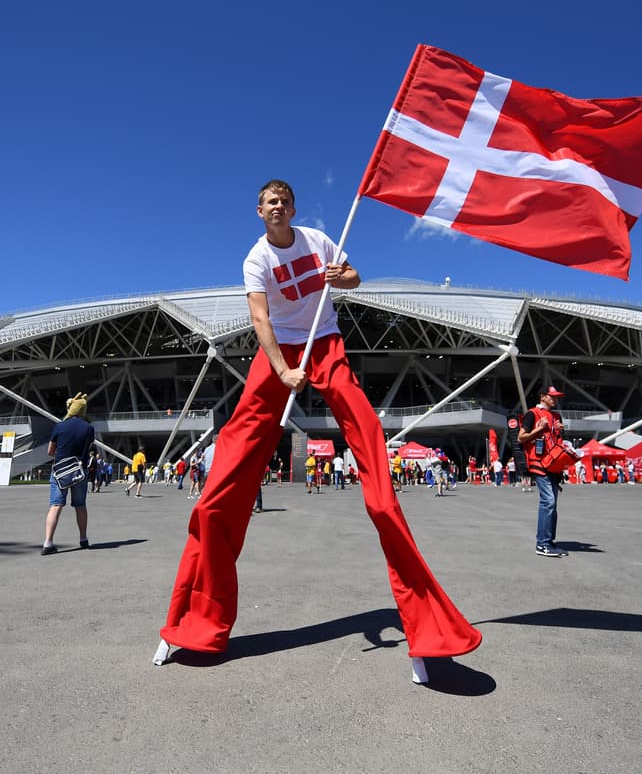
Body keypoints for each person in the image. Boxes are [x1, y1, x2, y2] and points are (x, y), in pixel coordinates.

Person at [154, 179, 480, 682]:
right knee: (225, 477)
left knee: (368, 434)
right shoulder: (255, 258)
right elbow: (259, 318)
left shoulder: (317, 240)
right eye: (269, 203)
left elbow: (353, 276)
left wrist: (341, 276)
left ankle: (426, 625)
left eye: (284, 201)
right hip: (277, 351)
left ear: (293, 208)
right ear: (259, 211)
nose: (277, 207)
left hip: (324, 342)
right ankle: (192, 621)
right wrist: (282, 372)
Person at [518, 386, 570, 557]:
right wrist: (539, 429)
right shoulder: (532, 414)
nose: (555, 399)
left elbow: (558, 440)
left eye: (556, 396)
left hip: (554, 464)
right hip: (539, 463)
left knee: (552, 503)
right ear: (542, 397)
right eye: (552, 396)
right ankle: (543, 544)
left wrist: (560, 430)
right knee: (548, 502)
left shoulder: (556, 416)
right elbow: (521, 437)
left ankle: (548, 542)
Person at [43, 393, 95, 554]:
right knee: (80, 506)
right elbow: (88, 447)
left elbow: (50, 451)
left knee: (55, 505)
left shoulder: (60, 426)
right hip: (79, 470)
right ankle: (83, 539)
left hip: (60, 471)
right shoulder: (89, 428)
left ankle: (48, 543)